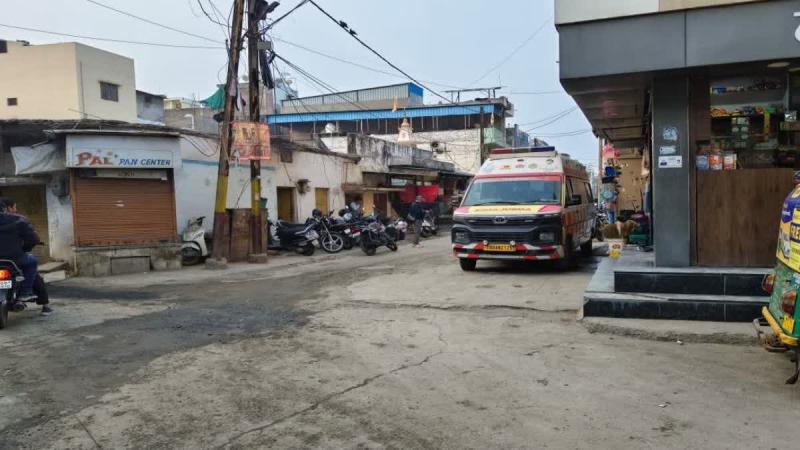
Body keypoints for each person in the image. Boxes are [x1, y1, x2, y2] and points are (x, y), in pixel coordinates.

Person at [0, 197, 51, 316]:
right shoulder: (18, 220)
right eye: (14, 207)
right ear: (5, 208)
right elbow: (33, 239)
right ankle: (25, 293)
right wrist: (24, 249)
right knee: (32, 262)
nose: (15, 209)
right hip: (15, 258)